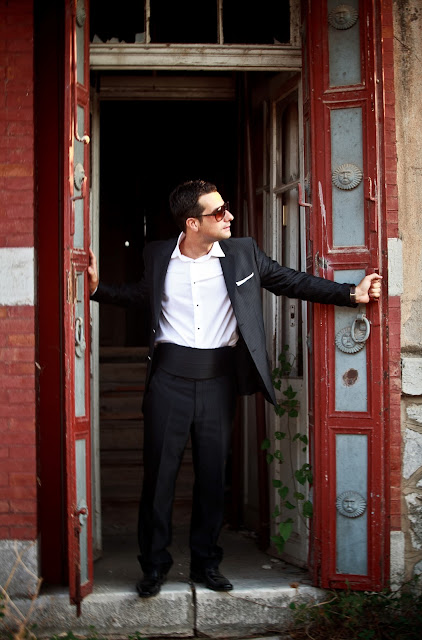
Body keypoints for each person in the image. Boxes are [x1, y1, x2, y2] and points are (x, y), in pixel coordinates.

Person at [88, 179, 382, 597]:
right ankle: (153, 566)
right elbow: (141, 296)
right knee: (159, 478)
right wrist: (97, 289)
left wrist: (350, 294)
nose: (228, 215)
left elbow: (289, 280)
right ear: (192, 223)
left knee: (212, 477)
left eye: (225, 207)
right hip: (168, 380)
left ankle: (206, 564)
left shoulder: (242, 253)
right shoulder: (156, 254)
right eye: (218, 211)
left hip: (218, 380)